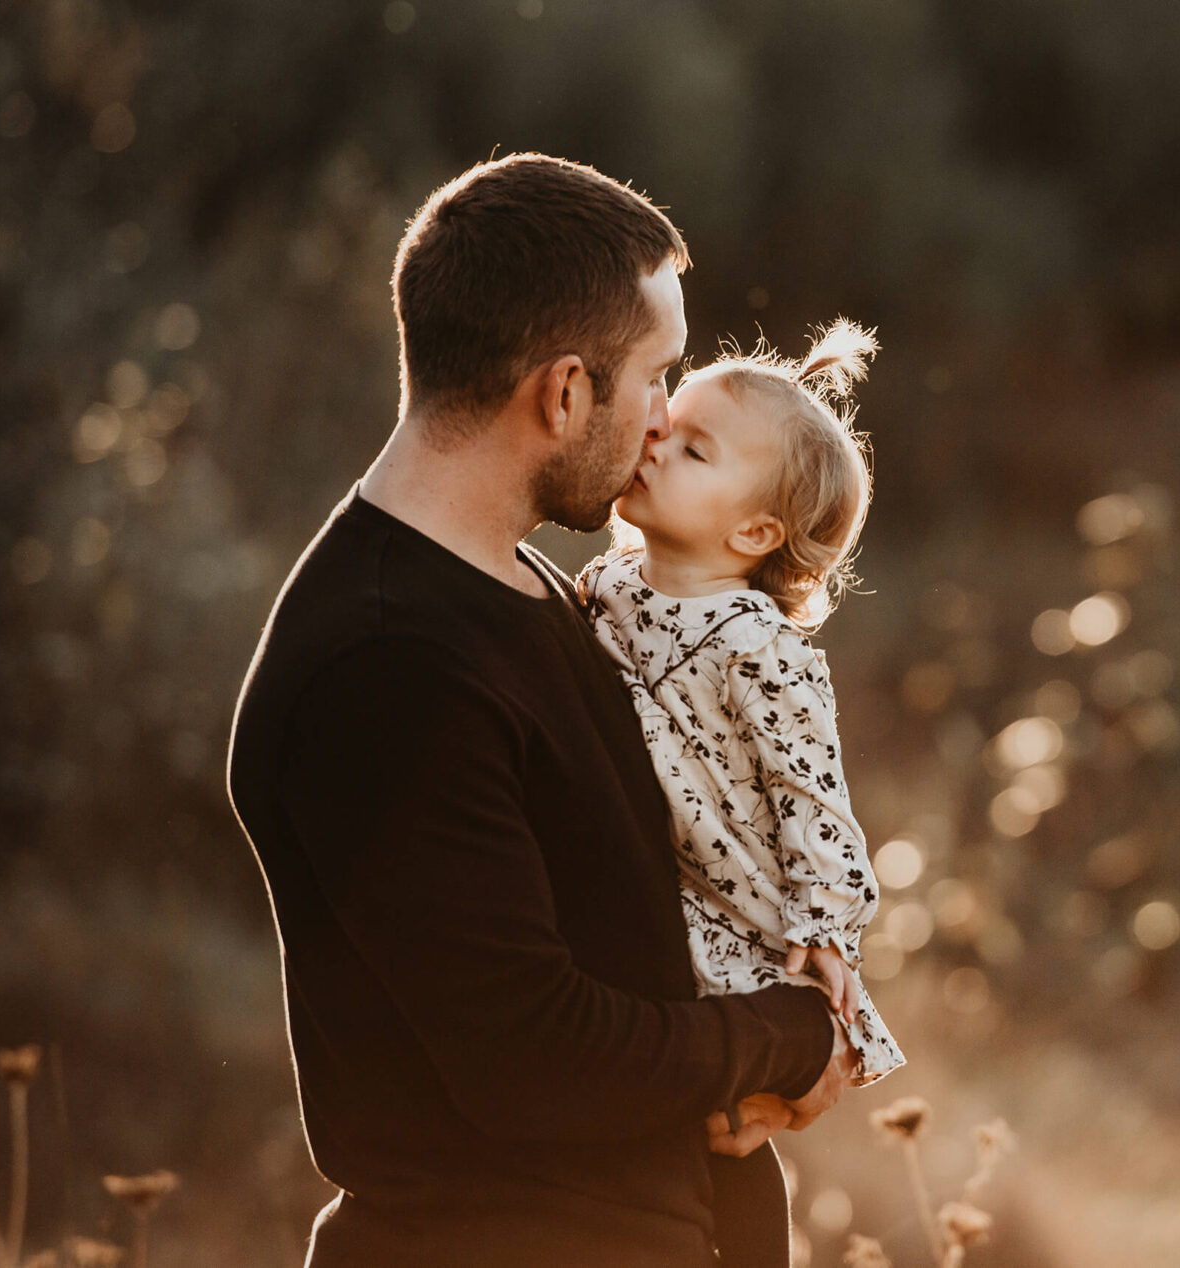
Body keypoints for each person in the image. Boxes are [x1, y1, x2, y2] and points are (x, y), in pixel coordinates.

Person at [225, 153, 853, 1268]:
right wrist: (782, 1035)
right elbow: (532, 1056)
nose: (662, 416)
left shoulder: (532, 589)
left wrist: (801, 1001)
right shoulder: (386, 666)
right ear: (564, 393)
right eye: (657, 376)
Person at [578, 322, 905, 1268]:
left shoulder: (758, 646)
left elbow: (814, 796)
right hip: (664, 893)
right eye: (663, 425)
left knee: (743, 1095)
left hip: (743, 906)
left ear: (754, 532)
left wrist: (824, 930)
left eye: (692, 449)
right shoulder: (607, 586)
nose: (654, 444)